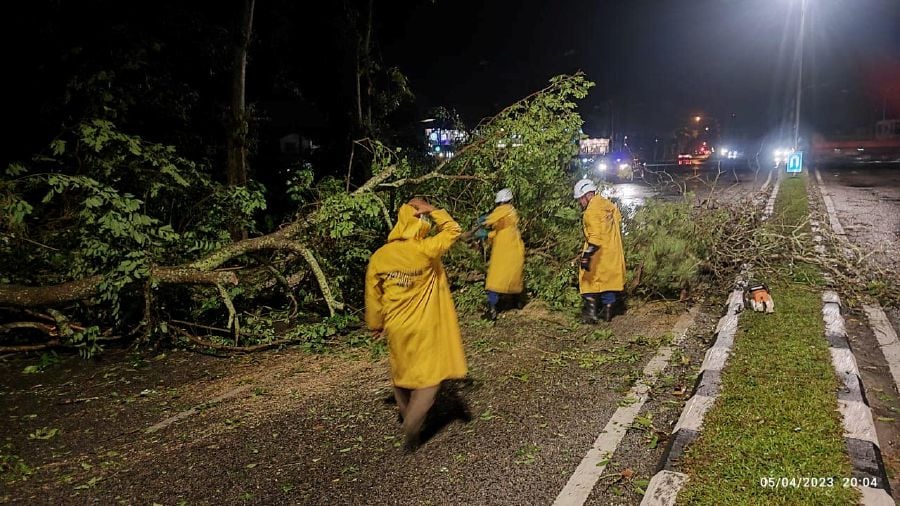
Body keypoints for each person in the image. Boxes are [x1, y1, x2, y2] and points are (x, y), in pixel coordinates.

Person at [365, 197, 468, 450]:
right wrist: (433, 209)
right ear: (418, 222)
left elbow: (372, 294)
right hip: (425, 327)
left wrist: (375, 323)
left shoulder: (380, 256)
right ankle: (412, 427)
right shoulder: (425, 250)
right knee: (429, 380)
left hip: (396, 326)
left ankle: (405, 413)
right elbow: (454, 230)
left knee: (402, 374)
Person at [573, 179, 626, 323]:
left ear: (586, 196)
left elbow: (595, 236)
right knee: (609, 282)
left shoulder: (590, 212)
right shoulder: (607, 204)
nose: (580, 203)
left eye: (580, 199)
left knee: (587, 279)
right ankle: (608, 312)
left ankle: (590, 315)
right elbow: (618, 219)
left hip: (598, 254)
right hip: (612, 252)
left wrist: (587, 255)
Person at [480, 188, 525, 321]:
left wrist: (481, 224)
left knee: (495, 279)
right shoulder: (512, 213)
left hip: (503, 251)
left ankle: (492, 308)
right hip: (515, 249)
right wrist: (488, 235)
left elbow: (489, 221)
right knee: (514, 276)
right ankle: (518, 302)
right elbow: (499, 230)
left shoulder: (503, 210)